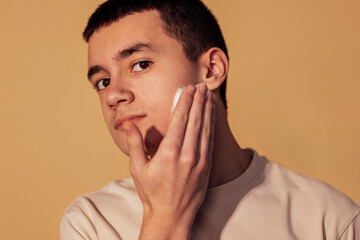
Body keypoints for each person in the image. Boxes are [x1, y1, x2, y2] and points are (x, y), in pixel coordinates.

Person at [60, 0, 359, 239]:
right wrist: (164, 218)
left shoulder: (331, 220)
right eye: (102, 81)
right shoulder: (91, 223)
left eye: (140, 64)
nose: (113, 95)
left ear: (212, 69)